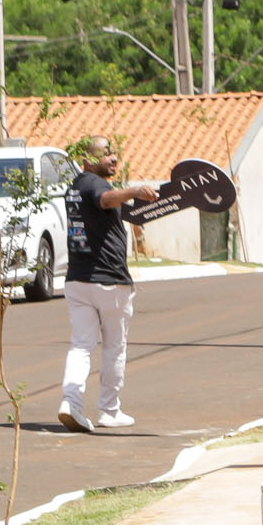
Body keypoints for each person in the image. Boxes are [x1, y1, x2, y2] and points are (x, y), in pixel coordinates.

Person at [55, 134, 165, 435]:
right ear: (88, 160)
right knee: (114, 347)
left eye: (115, 152)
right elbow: (105, 199)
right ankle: (109, 410)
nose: (114, 158)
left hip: (78, 279)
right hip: (108, 280)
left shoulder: (74, 188)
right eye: (106, 154)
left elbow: (105, 208)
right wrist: (134, 190)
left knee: (81, 345)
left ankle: (71, 403)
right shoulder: (94, 185)